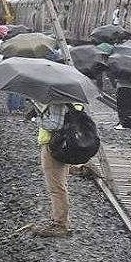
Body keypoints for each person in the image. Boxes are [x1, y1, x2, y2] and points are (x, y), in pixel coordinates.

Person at [31, 100, 87, 236]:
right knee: (60, 184)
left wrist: (37, 118)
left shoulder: (57, 101)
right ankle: (60, 220)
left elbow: (55, 124)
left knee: (56, 187)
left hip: (53, 146)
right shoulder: (71, 101)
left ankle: (60, 224)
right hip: (63, 145)